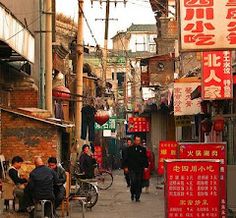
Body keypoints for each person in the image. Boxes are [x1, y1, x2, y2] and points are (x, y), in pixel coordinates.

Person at [124, 135, 148, 202]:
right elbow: (126, 158)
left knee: (139, 182)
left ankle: (137, 196)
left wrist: (146, 166)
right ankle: (132, 193)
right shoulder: (129, 149)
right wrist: (125, 167)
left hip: (140, 168)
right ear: (134, 140)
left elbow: (145, 158)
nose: (138, 142)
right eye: (136, 140)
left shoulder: (142, 149)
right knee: (133, 181)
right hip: (132, 168)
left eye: (139, 140)